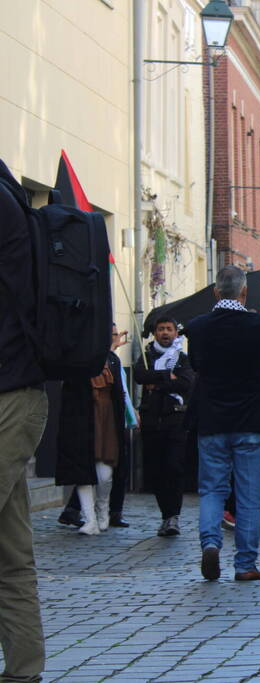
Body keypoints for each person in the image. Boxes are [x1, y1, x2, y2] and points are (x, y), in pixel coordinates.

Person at [186, 266, 260, 581]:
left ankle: (210, 543)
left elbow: (196, 365)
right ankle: (245, 564)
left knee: (211, 489)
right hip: (251, 421)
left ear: (215, 292)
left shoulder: (197, 327)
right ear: (244, 293)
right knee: (250, 495)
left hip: (211, 420)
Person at [0, 158, 49, 683]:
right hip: (19, 393)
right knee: (11, 555)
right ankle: (23, 671)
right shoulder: (13, 196)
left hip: (7, 397)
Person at [55, 324, 130, 535]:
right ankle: (89, 519)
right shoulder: (77, 360)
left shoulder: (113, 360)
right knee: (82, 470)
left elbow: (120, 394)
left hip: (107, 419)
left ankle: (102, 510)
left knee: (105, 473)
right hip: (82, 420)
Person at [134, 316, 195, 537]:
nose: (165, 333)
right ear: (155, 332)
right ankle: (164, 514)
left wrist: (157, 383)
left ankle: (173, 516)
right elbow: (140, 375)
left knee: (174, 467)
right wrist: (165, 377)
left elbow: (186, 383)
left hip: (175, 420)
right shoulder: (146, 355)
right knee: (157, 471)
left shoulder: (181, 358)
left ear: (175, 333)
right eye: (161, 329)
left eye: (169, 329)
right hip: (152, 421)